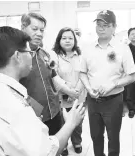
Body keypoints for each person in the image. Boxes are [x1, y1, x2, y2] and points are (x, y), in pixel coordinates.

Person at [0, 26, 85, 156]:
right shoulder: (17, 109)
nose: (31, 56)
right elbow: (48, 152)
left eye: (42, 29)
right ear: (18, 56)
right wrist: (71, 122)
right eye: (29, 52)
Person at [80, 10, 135, 156]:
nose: (101, 28)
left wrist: (113, 84)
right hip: (93, 101)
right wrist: (88, 88)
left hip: (114, 101)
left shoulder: (122, 48)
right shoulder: (87, 48)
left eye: (106, 24)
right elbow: (82, 72)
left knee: (113, 138)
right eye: (98, 24)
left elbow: (132, 76)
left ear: (114, 27)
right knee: (96, 136)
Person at [19, 12, 79, 136]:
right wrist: (34, 110)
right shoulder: (17, 56)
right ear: (23, 28)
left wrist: (69, 90)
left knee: (56, 146)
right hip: (33, 117)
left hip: (54, 112)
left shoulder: (45, 54)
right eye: (34, 29)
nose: (39, 33)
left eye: (42, 30)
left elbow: (54, 77)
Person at [51, 27, 86, 155]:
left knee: (78, 122)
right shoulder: (54, 56)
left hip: (79, 95)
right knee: (62, 122)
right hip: (61, 97)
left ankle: (77, 142)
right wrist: (68, 90)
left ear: (75, 40)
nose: (67, 41)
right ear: (59, 40)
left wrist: (75, 91)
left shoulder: (81, 56)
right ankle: (63, 145)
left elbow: (84, 74)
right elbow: (54, 76)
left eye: (70, 38)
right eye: (64, 38)